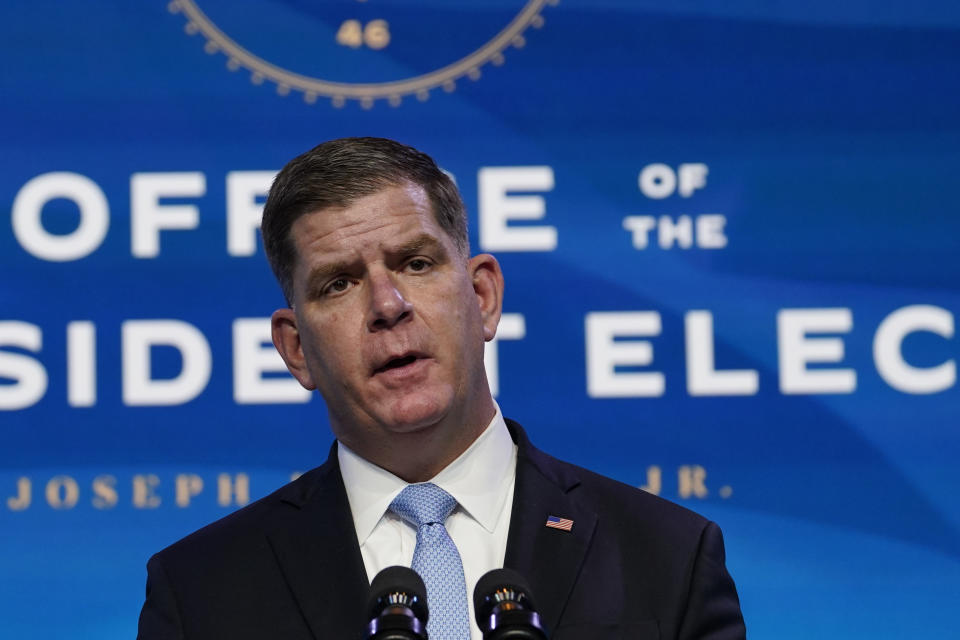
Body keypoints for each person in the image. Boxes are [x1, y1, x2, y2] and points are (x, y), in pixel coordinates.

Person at [136, 137, 746, 639]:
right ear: (297, 350)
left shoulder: (667, 557)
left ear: (482, 296)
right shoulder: (200, 593)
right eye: (340, 284)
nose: (387, 305)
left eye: (416, 264)